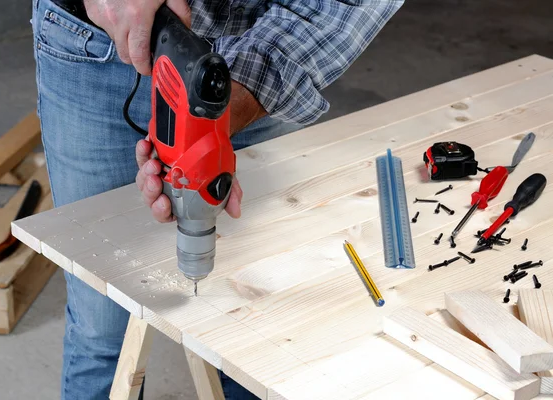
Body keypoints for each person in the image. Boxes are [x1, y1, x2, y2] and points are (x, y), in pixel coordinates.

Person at [30, 0, 404, 398]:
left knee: (250, 326)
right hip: (93, 43)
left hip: (263, 46)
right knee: (104, 327)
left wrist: (208, 131)